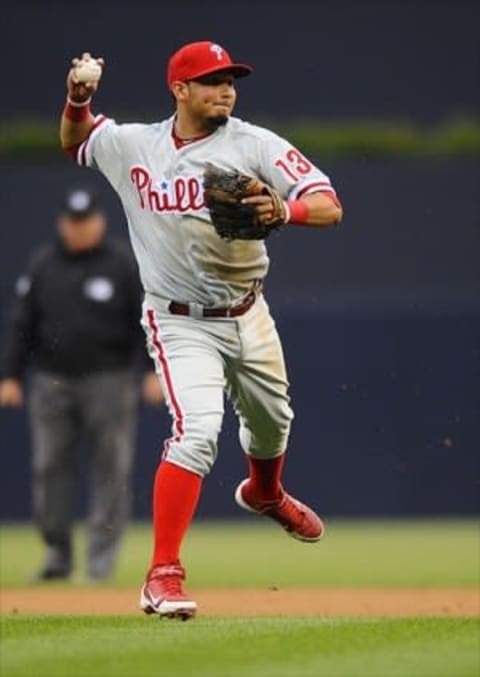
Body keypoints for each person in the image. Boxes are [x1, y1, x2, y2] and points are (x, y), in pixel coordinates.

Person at [59, 42, 343, 618]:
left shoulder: (254, 144)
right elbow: (77, 141)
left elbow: (329, 202)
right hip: (178, 319)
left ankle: (264, 493)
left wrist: (287, 211)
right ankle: (162, 573)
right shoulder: (135, 144)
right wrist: (77, 99)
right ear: (179, 89)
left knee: (272, 426)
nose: (227, 89)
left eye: (231, 79)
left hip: (248, 312)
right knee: (198, 430)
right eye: (212, 80)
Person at [0, 187, 164, 582]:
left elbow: (145, 322)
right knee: (49, 467)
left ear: (99, 222)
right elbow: (22, 325)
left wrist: (152, 370)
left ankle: (100, 563)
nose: (78, 229)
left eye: (85, 220)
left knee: (112, 469)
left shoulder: (121, 263)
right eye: (72, 222)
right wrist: (9, 375)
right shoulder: (43, 264)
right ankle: (57, 554)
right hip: (51, 382)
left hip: (110, 380)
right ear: (62, 224)